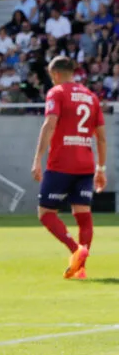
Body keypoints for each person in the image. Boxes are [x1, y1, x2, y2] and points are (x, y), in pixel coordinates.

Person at [32, 56, 106, 280]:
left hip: (61, 163)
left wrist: (37, 159)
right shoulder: (91, 97)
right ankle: (81, 268)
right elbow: (101, 138)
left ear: (55, 74)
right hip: (85, 164)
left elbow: (49, 124)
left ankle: (76, 250)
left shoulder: (56, 93)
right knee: (83, 215)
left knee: (46, 213)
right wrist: (101, 168)